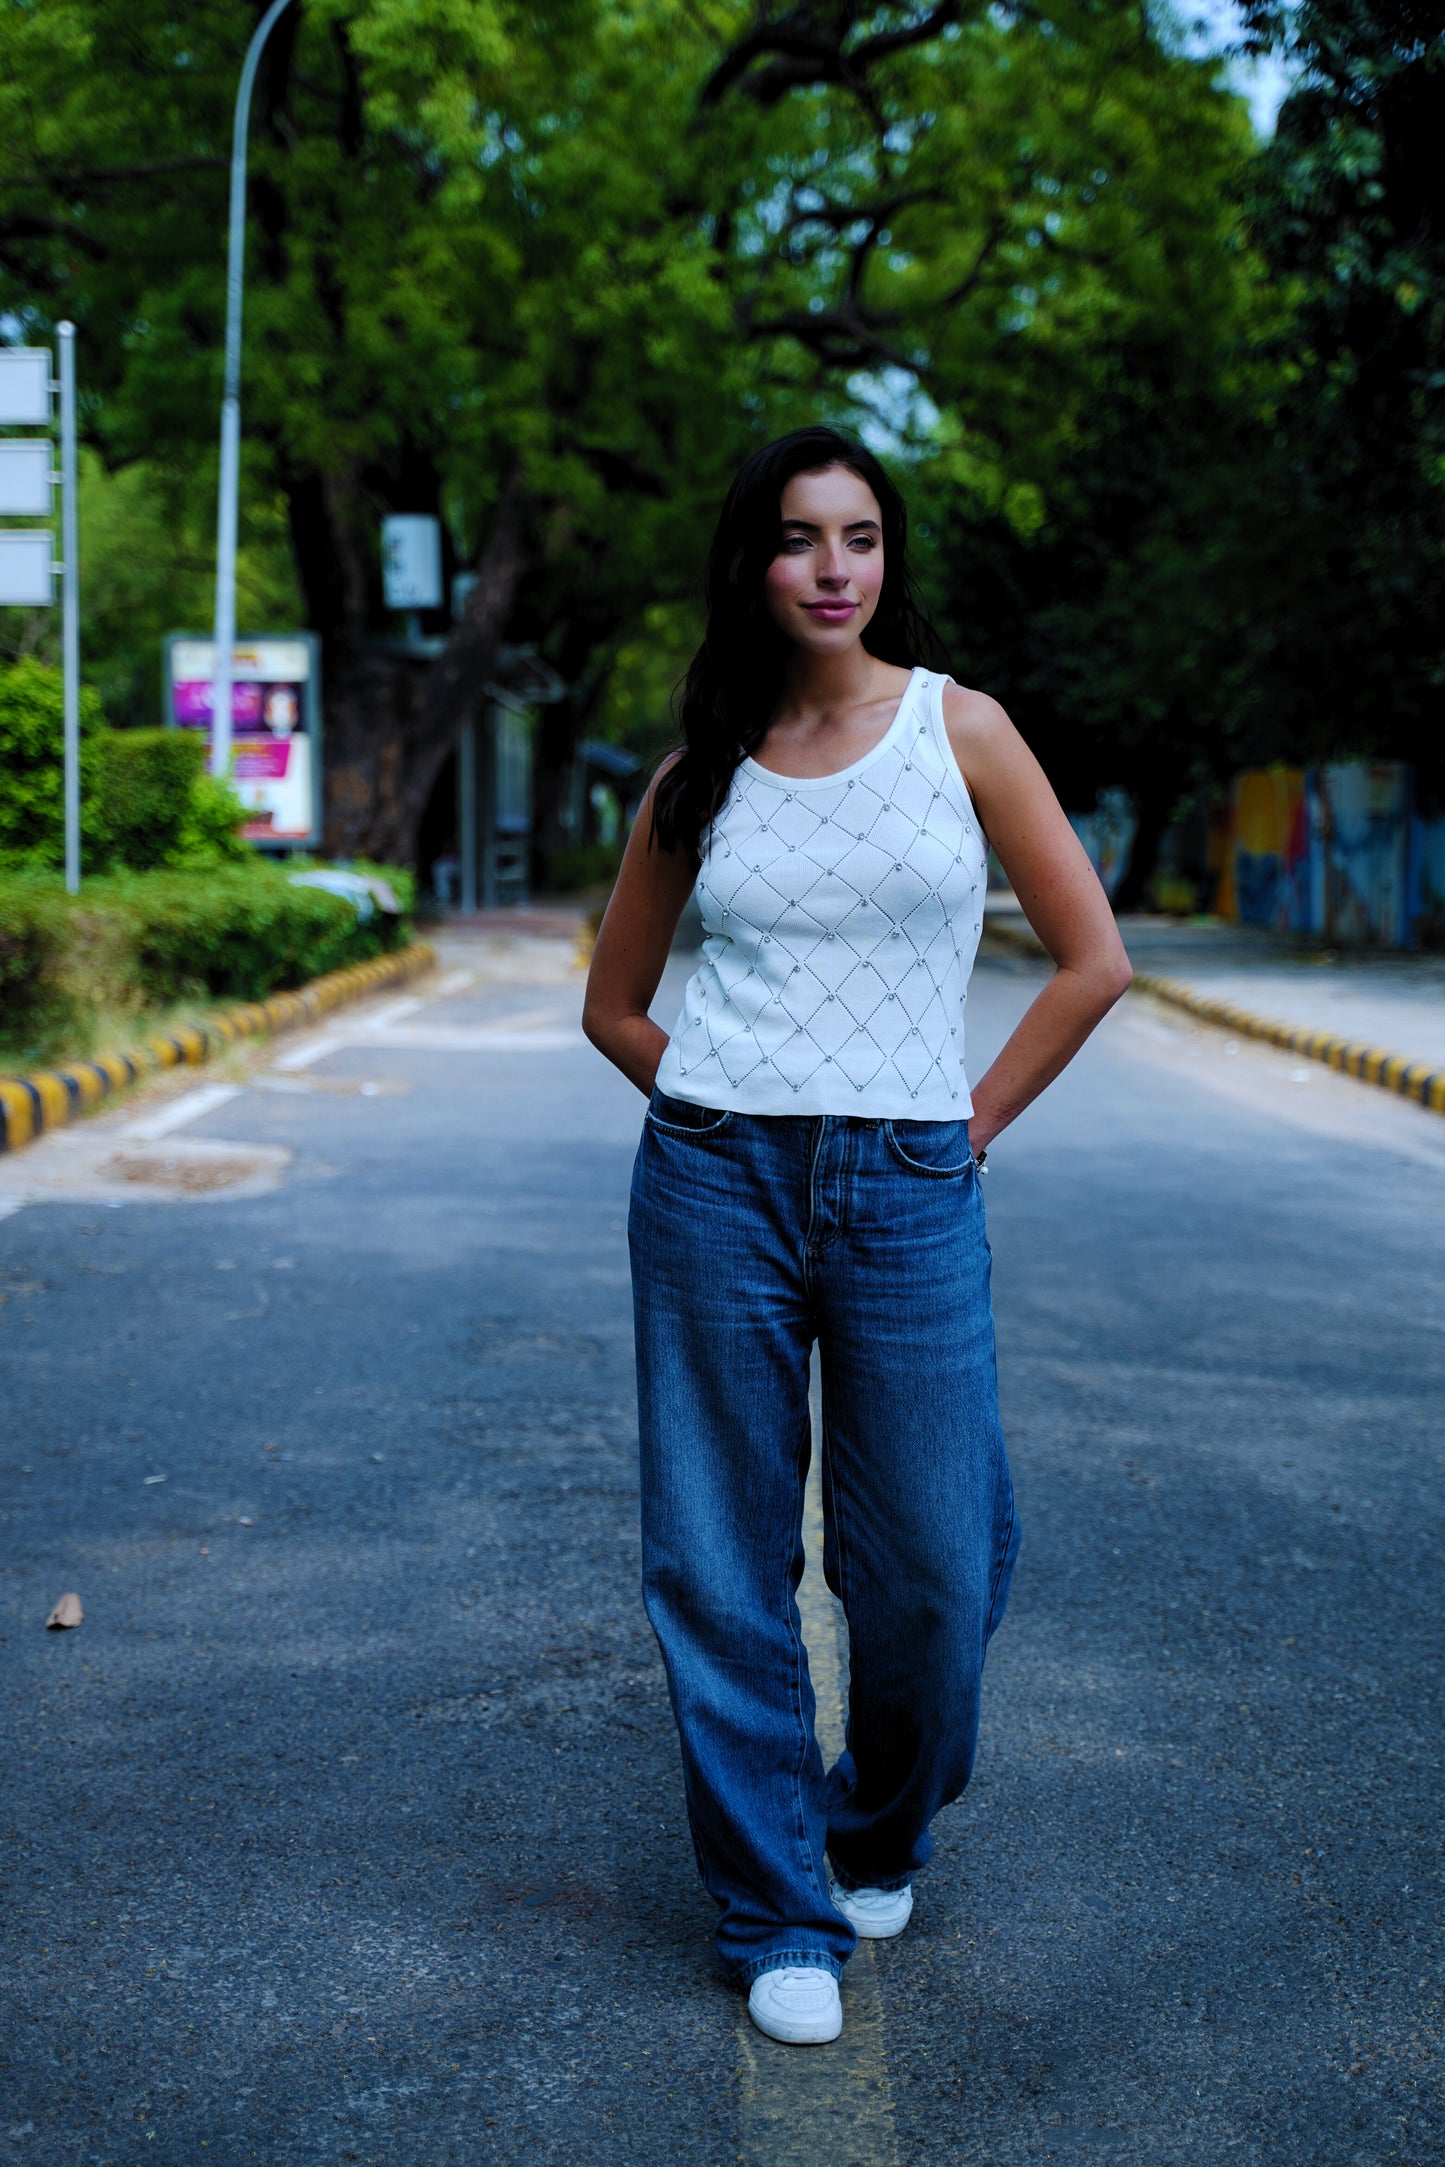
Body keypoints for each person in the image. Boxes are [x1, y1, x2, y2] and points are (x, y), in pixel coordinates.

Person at [583, 426, 1131, 2046]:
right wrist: (726, 1104)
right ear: (750, 562)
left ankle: (876, 1825)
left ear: (887, 558)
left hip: (907, 1182)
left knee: (934, 1568)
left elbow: (1091, 961)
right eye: (798, 537)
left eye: (861, 536)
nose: (833, 568)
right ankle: (775, 1912)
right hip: (713, 1181)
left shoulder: (961, 728)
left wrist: (962, 1127)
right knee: (716, 1558)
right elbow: (615, 1005)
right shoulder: (699, 771)